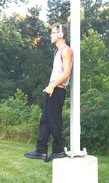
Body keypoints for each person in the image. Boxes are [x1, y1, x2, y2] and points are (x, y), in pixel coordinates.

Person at [24, 23, 73, 162]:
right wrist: (50, 86)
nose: (50, 35)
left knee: (53, 120)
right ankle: (40, 150)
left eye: (53, 32)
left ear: (60, 34)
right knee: (45, 120)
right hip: (53, 88)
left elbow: (66, 73)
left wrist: (53, 86)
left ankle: (58, 150)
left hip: (57, 90)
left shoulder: (66, 50)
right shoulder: (57, 52)